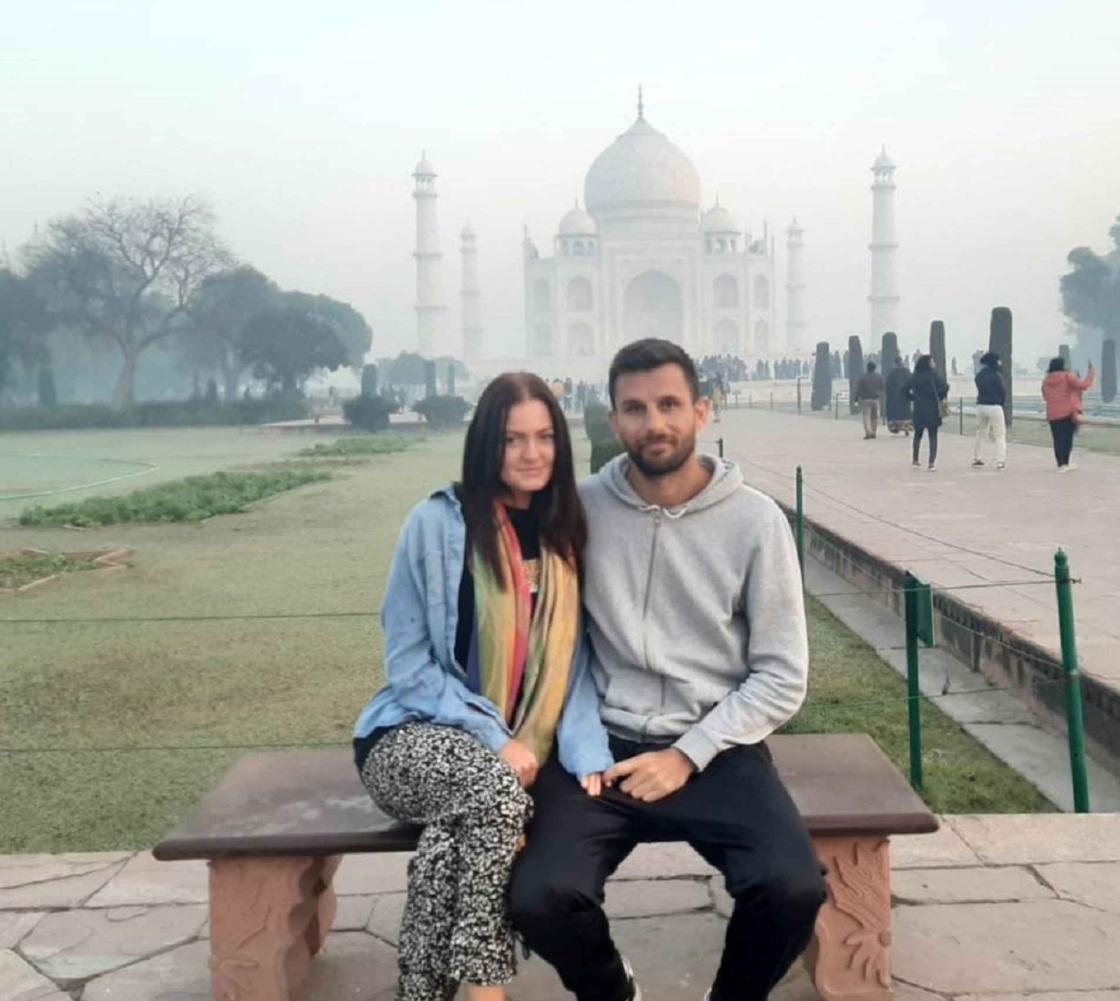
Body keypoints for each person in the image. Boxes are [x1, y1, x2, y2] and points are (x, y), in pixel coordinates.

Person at [511, 339, 824, 1001]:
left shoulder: (755, 521)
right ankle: (613, 991)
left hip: (715, 746)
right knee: (541, 895)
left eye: (669, 404)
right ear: (614, 420)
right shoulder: (581, 510)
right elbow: (543, 629)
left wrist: (688, 754)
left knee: (791, 887)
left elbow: (781, 674)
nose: (654, 423)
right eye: (635, 408)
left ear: (702, 410)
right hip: (602, 747)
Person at [352, 373, 613, 1001]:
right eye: (512, 439)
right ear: (485, 445)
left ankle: (421, 992)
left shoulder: (566, 531)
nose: (532, 454)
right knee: (496, 796)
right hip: (411, 739)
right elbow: (408, 665)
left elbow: (575, 664)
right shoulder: (437, 525)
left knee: (458, 836)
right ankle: (484, 991)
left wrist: (586, 751)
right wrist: (495, 739)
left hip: (518, 756)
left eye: (545, 437)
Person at [1042, 357, 1096, 471]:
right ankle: (1065, 463)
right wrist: (1091, 373)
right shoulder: (1067, 377)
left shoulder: (1046, 381)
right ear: (1062, 366)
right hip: (1066, 413)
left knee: (1057, 439)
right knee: (1067, 439)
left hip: (1052, 414)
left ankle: (1060, 463)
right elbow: (1084, 385)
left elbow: (1045, 395)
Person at [904, 354, 948, 470]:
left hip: (919, 408)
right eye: (932, 362)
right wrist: (939, 396)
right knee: (933, 436)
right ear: (928, 363)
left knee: (917, 435)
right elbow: (945, 386)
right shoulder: (933, 375)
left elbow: (905, 390)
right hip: (932, 408)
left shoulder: (915, 376)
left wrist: (912, 398)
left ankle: (915, 460)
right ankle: (931, 463)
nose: (934, 364)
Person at [972, 351, 1007, 469]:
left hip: (981, 405)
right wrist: (1001, 403)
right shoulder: (997, 376)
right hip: (995, 406)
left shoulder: (979, 376)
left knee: (980, 433)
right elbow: (1002, 392)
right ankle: (1000, 461)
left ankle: (977, 458)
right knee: (1000, 435)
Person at [884, 353, 913, 435]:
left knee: (895, 413)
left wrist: (889, 393)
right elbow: (911, 381)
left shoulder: (892, 373)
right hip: (905, 395)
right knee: (906, 412)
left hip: (895, 396)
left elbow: (888, 385)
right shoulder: (906, 371)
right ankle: (907, 428)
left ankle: (895, 427)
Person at [857, 360, 885, 438]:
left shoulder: (863, 377)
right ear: (874, 368)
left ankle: (868, 431)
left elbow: (859, 388)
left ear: (867, 368)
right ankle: (874, 431)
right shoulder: (879, 377)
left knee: (866, 416)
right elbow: (882, 387)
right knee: (874, 416)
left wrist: (856, 398)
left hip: (865, 399)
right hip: (875, 399)